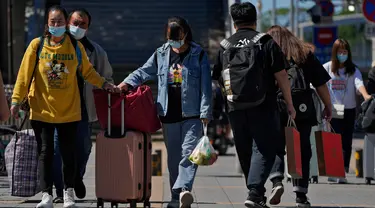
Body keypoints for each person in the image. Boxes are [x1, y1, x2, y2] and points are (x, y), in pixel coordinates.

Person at [10, 5, 116, 208]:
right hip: (42, 109)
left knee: (70, 153)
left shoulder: (75, 47)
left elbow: (88, 72)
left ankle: (68, 193)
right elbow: (24, 75)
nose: (56, 25)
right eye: (53, 22)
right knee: (46, 153)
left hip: (69, 110)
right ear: (47, 24)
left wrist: (104, 84)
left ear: (65, 24)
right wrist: (16, 101)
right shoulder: (37, 45)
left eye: (60, 21)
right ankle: (47, 195)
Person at [117, 16, 212, 208]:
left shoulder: (198, 54)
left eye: (176, 36)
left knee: (188, 154)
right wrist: (126, 83)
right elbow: (143, 72)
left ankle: (183, 189)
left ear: (185, 33)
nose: (173, 40)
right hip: (168, 114)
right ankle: (177, 198)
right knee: (174, 158)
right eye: (170, 36)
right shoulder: (161, 53)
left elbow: (206, 87)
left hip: (192, 114)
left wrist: (205, 112)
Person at [212, 3, 296, 208]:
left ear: (234, 23)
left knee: (244, 148)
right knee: (264, 147)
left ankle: (255, 194)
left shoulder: (224, 46)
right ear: (255, 20)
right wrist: (289, 103)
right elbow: (282, 75)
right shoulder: (265, 42)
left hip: (235, 106)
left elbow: (217, 78)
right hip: (263, 104)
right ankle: (255, 192)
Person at [52, 8, 114, 203]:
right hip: (57, 109)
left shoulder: (95, 51)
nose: (78, 27)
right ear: (67, 22)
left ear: (88, 28)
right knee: (56, 150)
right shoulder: (53, 47)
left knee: (83, 148)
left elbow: (107, 77)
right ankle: (62, 191)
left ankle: (76, 177)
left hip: (83, 110)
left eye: (83, 24)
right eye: (75, 23)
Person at [266, 25, 332, 208]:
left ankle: (277, 181)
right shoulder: (303, 53)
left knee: (276, 147)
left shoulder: (268, 52)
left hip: (276, 106)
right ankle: (300, 195)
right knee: (301, 150)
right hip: (302, 108)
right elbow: (320, 84)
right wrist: (328, 106)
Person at [323, 38, 371, 184]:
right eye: (340, 51)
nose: (342, 54)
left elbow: (359, 83)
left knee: (346, 141)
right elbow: (318, 84)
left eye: (345, 52)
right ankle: (333, 171)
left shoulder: (353, 70)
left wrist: (365, 95)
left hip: (349, 110)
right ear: (335, 53)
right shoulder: (327, 68)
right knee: (333, 141)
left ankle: (342, 171)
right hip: (333, 110)